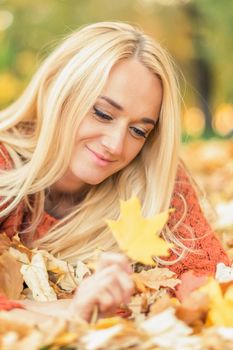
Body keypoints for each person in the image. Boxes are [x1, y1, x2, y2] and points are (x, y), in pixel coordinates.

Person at [0, 22, 230, 321]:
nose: (115, 145)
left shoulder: (153, 176)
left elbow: (210, 288)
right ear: (58, 89)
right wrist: (66, 312)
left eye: (138, 130)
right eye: (103, 113)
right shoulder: (5, 164)